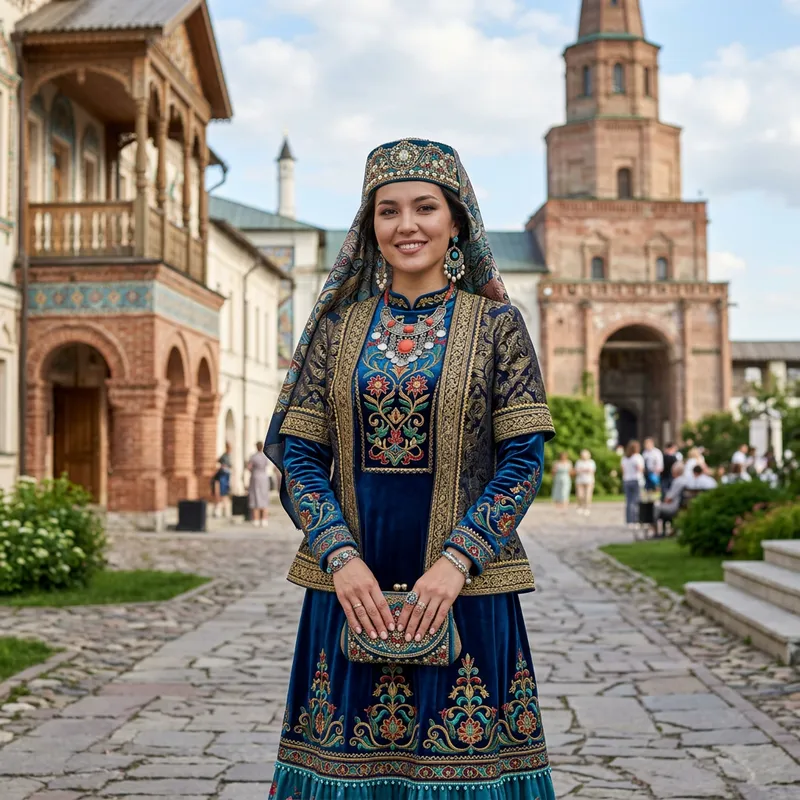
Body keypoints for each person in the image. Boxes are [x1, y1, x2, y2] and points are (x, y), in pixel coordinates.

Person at [264, 138, 557, 799]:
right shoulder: (337, 329)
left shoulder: (498, 326)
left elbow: (522, 461)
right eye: (388, 211)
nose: (407, 226)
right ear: (370, 226)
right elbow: (303, 458)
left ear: (456, 221)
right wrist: (341, 558)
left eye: (425, 208)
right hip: (350, 592)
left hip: (468, 593)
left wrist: (456, 563)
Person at [651, 462, 689, 537]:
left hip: (674, 507)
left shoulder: (677, 481)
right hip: (681, 507)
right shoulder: (685, 480)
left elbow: (668, 498)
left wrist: (664, 500)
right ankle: (665, 531)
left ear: (675, 471)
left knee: (655, 506)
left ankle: (656, 531)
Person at [245, 441, 271, 527]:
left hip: (255, 477)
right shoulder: (265, 456)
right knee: (264, 496)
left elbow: (249, 467)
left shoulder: (253, 457)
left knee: (255, 496)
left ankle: (256, 519)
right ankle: (264, 519)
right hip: (264, 477)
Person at [621, 440, 645, 527]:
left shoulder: (625, 458)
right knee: (635, 501)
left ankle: (629, 521)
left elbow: (623, 470)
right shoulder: (637, 457)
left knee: (628, 501)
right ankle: (635, 520)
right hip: (636, 479)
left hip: (627, 480)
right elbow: (640, 469)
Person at [211, 442, 232, 518]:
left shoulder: (228, 456)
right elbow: (219, 462)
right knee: (220, 494)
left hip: (225, 477)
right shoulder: (224, 457)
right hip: (222, 478)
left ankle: (224, 511)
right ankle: (219, 511)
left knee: (225, 494)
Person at [574, 448, 597, 516]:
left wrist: (583, 470)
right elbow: (576, 470)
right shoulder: (578, 462)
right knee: (580, 495)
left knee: (588, 495)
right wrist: (584, 470)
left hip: (589, 481)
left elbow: (592, 471)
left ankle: (587, 508)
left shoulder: (591, 462)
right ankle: (580, 506)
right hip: (579, 481)